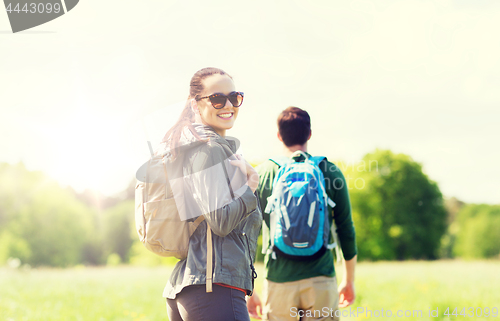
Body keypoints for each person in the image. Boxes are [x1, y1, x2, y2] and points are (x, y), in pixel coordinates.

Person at [162, 67, 262, 321]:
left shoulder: (200, 147)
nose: (228, 104)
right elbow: (220, 221)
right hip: (213, 290)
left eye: (234, 97)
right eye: (217, 98)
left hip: (201, 288)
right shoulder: (208, 150)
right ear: (195, 105)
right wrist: (251, 188)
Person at [247, 107, 358, 321]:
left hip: (278, 280)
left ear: (279, 136)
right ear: (309, 134)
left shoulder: (262, 174)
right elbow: (346, 229)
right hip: (321, 279)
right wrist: (349, 279)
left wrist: (248, 289)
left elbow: (247, 235)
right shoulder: (330, 171)